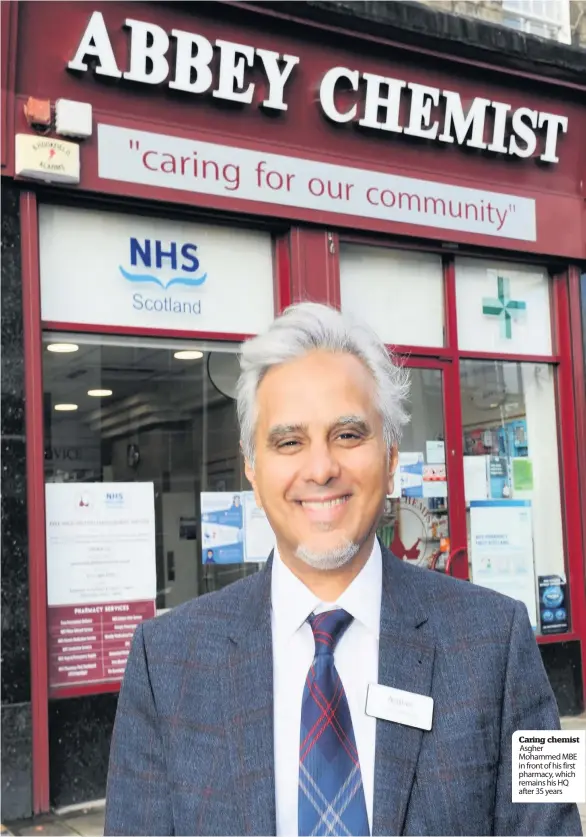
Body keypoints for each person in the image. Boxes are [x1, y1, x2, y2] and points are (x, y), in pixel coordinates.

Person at [104, 302, 581, 837]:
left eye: (348, 435)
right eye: (289, 442)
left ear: (392, 453)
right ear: (251, 468)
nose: (322, 467)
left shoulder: (504, 639)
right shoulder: (162, 661)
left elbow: (556, 825)